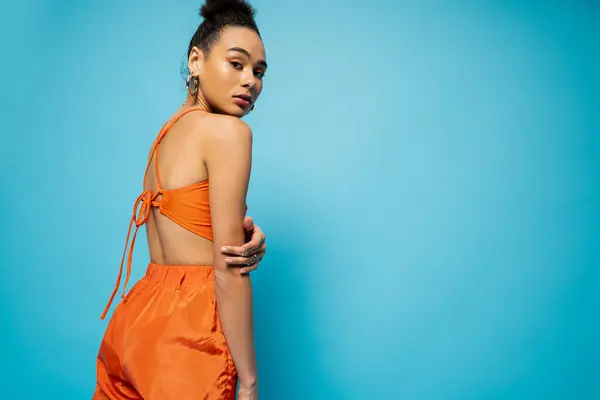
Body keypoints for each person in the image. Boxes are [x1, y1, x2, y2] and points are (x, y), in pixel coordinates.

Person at [93, 0, 267, 398]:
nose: (250, 81)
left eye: (258, 72)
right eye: (236, 64)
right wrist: (251, 382)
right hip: (189, 335)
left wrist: (247, 231)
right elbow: (227, 269)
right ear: (196, 60)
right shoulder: (229, 134)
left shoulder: (166, 134)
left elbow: (194, 221)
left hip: (135, 321)